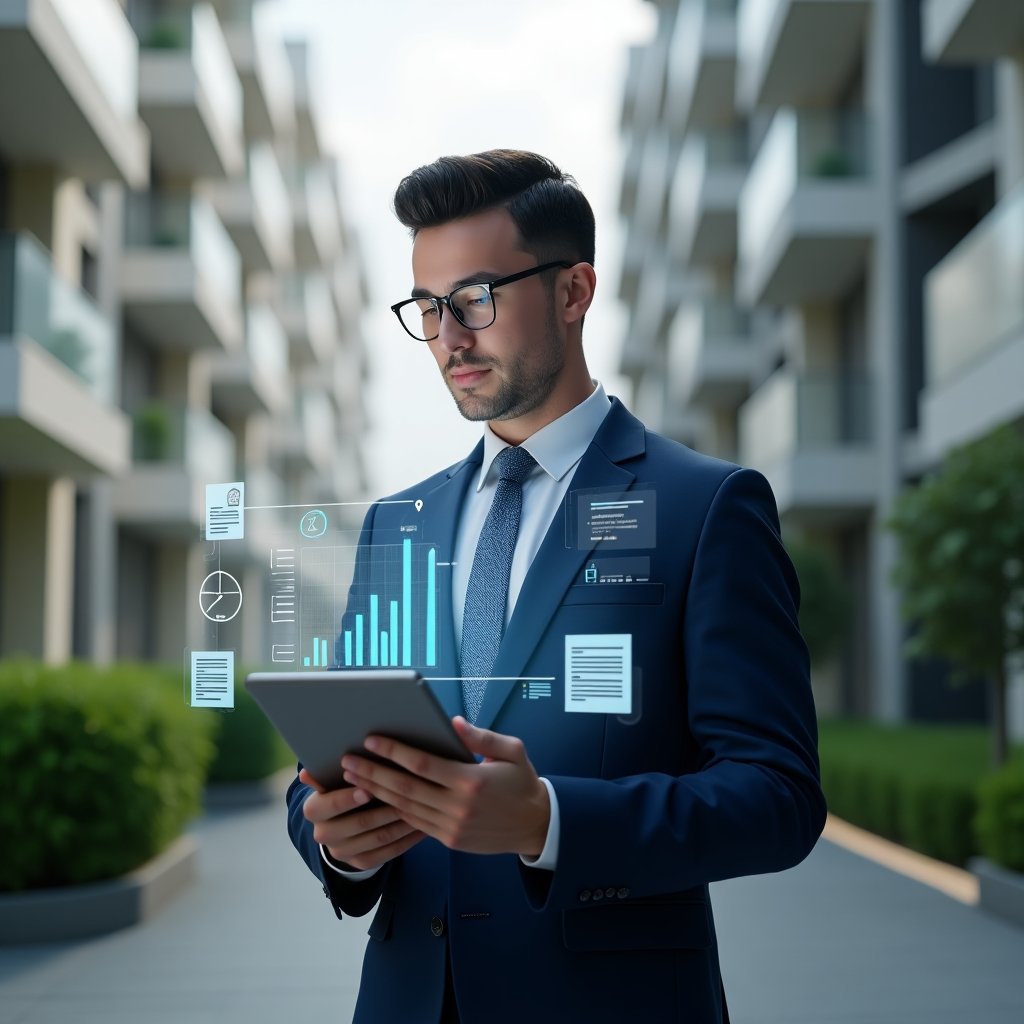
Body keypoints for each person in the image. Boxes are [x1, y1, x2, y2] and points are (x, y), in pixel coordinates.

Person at [287, 149, 826, 1024]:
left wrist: (546, 820)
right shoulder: (398, 522)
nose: (450, 339)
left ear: (574, 292)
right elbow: (333, 757)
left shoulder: (706, 505)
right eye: (428, 310)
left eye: (474, 300)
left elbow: (778, 797)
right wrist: (341, 845)